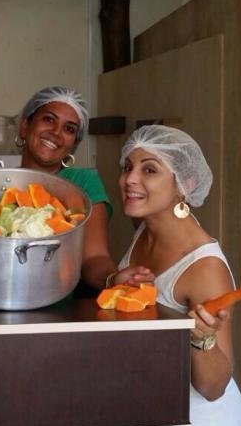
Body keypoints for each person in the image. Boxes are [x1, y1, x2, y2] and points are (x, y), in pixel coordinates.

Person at [111, 125, 241, 426]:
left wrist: (202, 339)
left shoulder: (204, 267)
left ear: (185, 185)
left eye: (149, 169)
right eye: (128, 166)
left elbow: (214, 387)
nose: (130, 179)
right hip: (158, 412)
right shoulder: (145, 229)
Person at [16, 86, 151, 291]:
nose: (56, 133)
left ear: (73, 144)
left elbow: (94, 257)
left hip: (58, 303)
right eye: (49, 119)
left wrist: (113, 280)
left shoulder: (83, 182)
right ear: (25, 126)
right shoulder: (1, 182)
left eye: (69, 129)